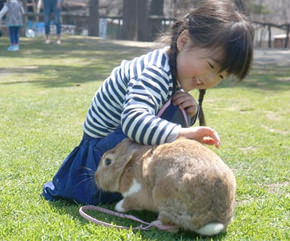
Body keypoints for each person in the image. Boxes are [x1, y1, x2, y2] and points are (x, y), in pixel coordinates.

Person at [42, 0, 254, 205]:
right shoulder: (155, 72)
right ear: (183, 41)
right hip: (100, 160)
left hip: (117, 148)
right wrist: (182, 133)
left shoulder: (172, 68)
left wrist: (188, 112)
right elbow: (134, 121)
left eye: (221, 77)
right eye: (210, 65)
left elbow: (156, 115)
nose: (210, 80)